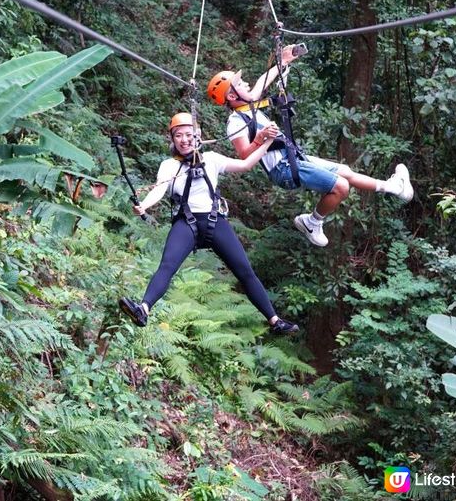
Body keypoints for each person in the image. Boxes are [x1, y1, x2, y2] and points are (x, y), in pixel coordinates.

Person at [207, 44, 413, 248]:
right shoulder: (236, 121)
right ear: (232, 96)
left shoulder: (249, 106)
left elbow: (263, 81)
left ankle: (393, 187)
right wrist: (261, 138)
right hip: (283, 168)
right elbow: (244, 156)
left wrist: (285, 60)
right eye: (240, 83)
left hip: (292, 158)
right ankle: (312, 222)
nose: (245, 83)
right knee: (341, 186)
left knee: (345, 171)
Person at [118, 112, 299, 335]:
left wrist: (268, 140)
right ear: (172, 140)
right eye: (178, 136)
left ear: (198, 136)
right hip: (187, 223)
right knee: (167, 266)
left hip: (215, 221)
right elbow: (159, 188)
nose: (184, 140)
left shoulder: (211, 158)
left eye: (188, 134)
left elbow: (245, 165)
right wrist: (144, 205)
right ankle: (143, 309)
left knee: (244, 271)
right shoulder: (169, 166)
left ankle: (275, 321)